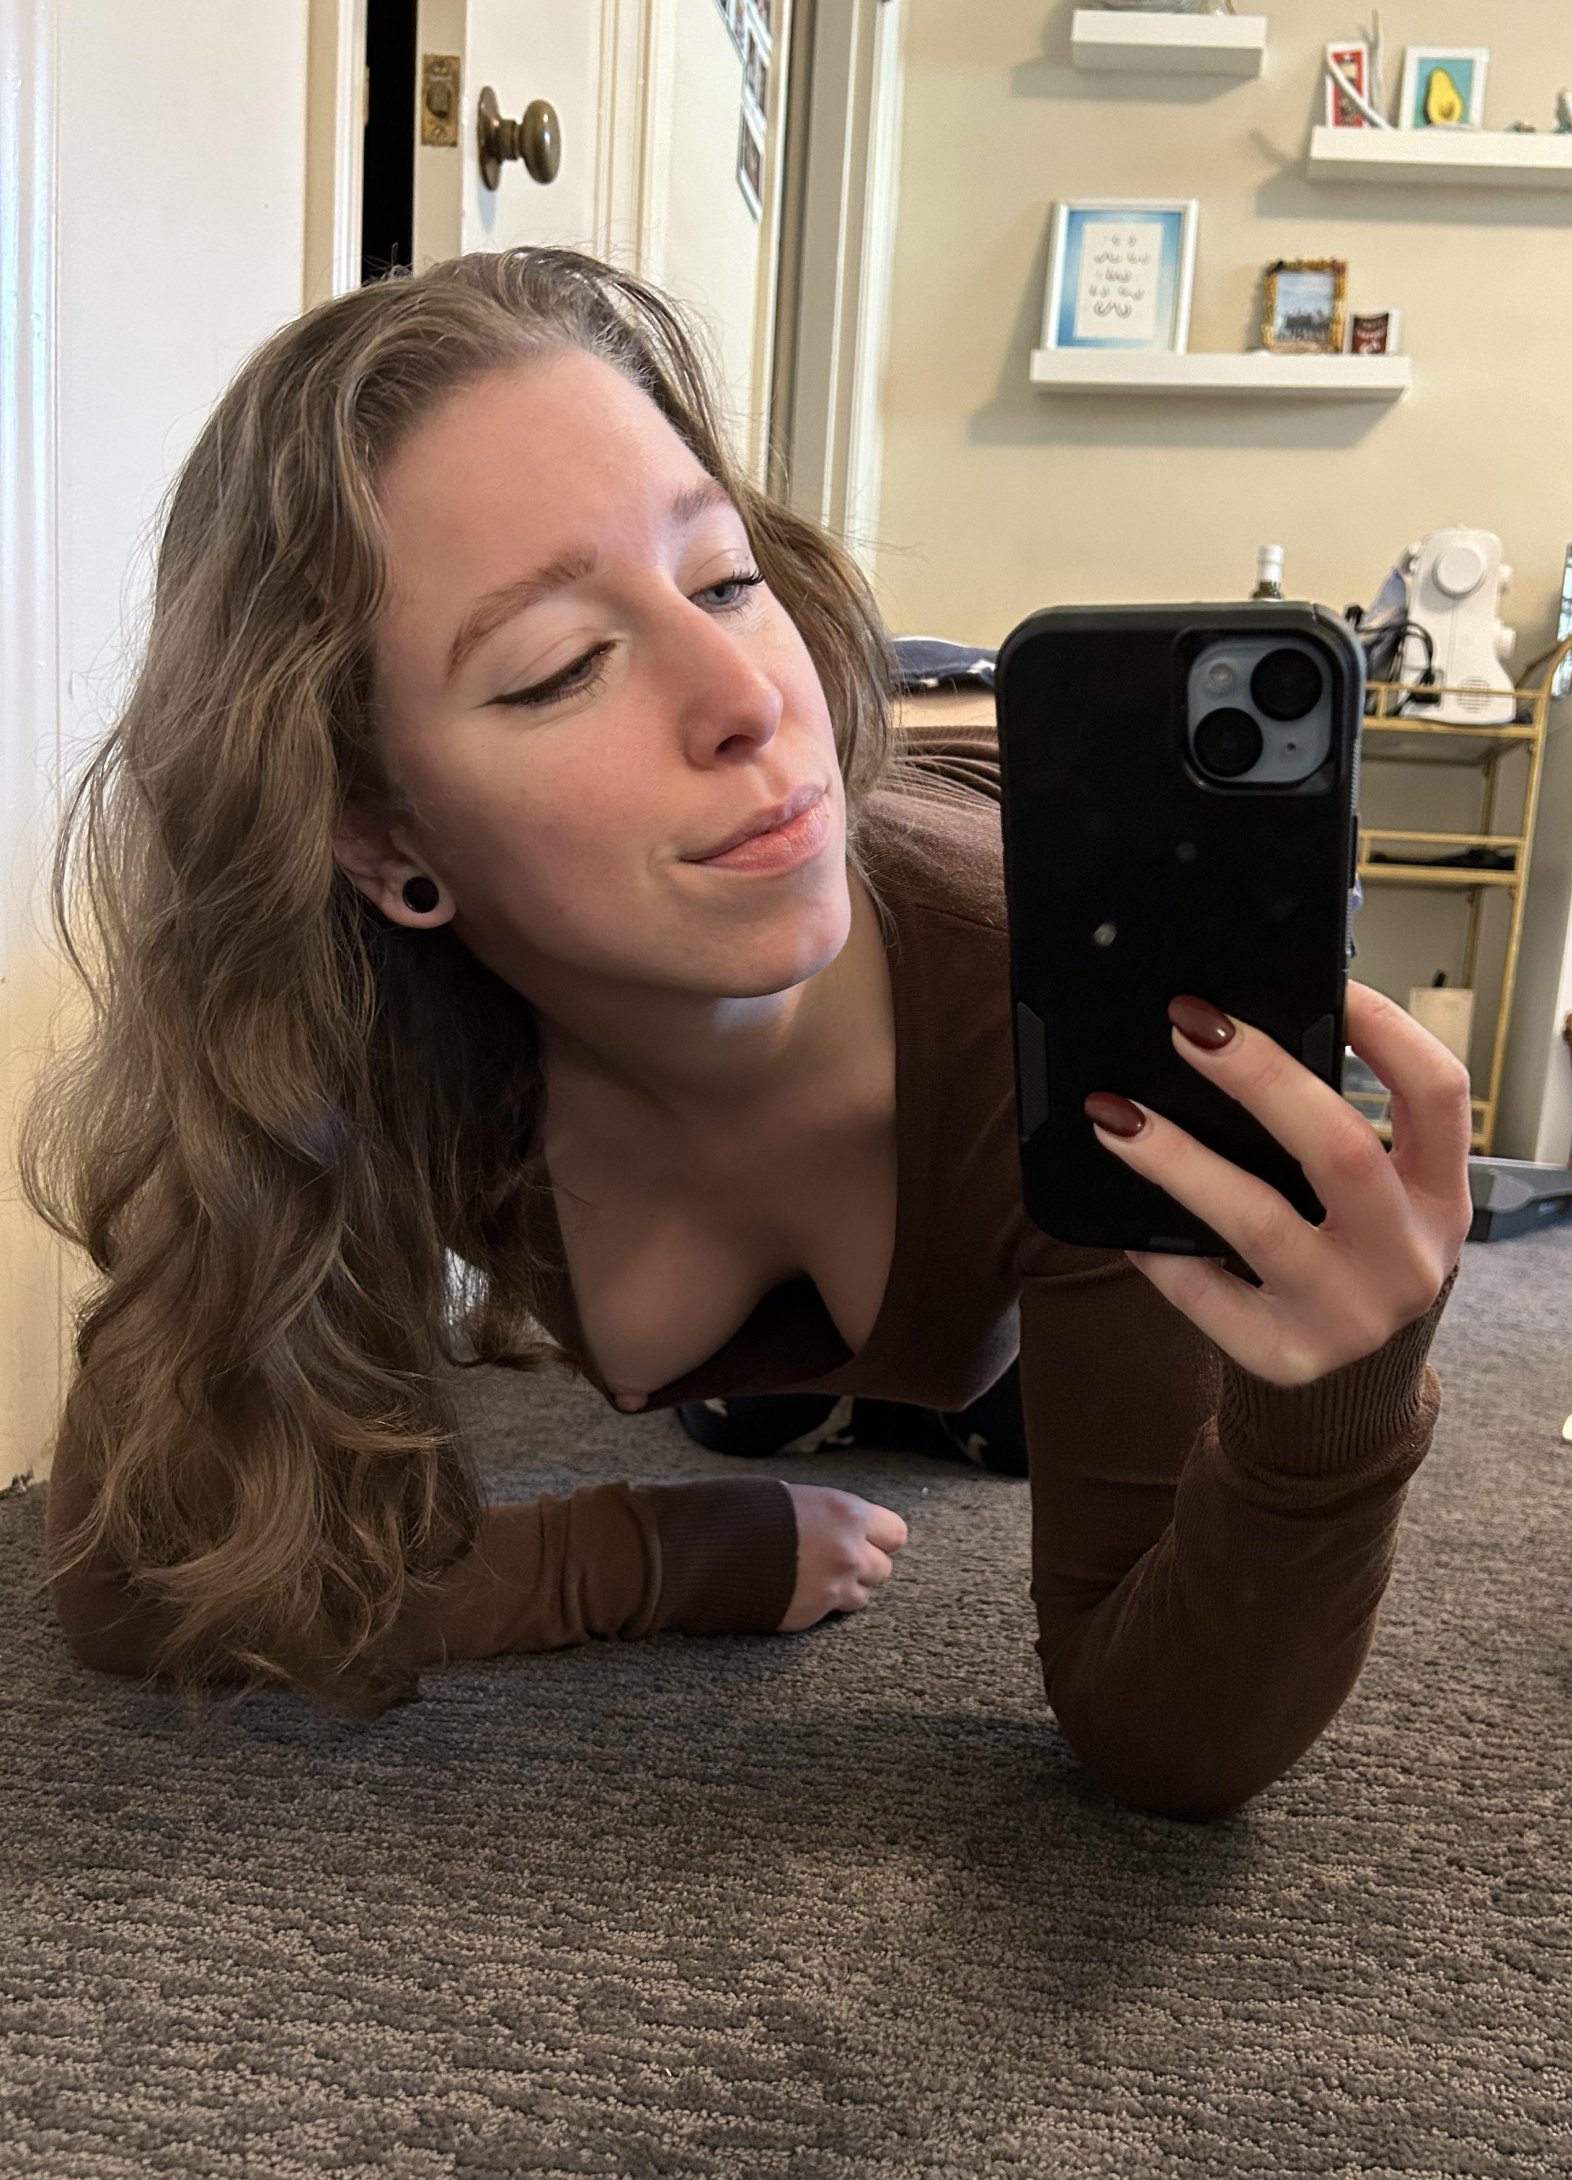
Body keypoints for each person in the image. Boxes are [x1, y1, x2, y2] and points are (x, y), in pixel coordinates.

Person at [21, 247, 1472, 1821]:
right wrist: (639, 1557)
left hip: (975, 940)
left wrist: (1334, 1412)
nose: (749, 696)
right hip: (713, 1038)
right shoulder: (348, 1024)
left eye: (725, 580)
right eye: (562, 666)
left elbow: (1166, 1743)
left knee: (1023, 1410)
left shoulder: (1060, 1023)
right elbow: (130, 1580)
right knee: (756, 1418)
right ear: (379, 837)